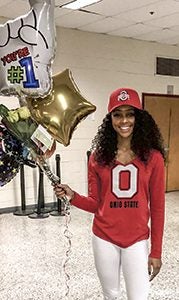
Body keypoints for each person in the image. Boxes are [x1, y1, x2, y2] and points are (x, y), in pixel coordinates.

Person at [54, 88, 166, 300]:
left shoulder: (153, 158)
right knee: (110, 295)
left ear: (138, 117)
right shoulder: (98, 157)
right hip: (104, 237)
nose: (124, 120)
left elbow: (158, 208)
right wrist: (72, 196)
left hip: (137, 239)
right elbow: (96, 204)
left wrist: (156, 252)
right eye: (117, 114)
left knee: (139, 296)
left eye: (130, 113)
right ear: (110, 119)